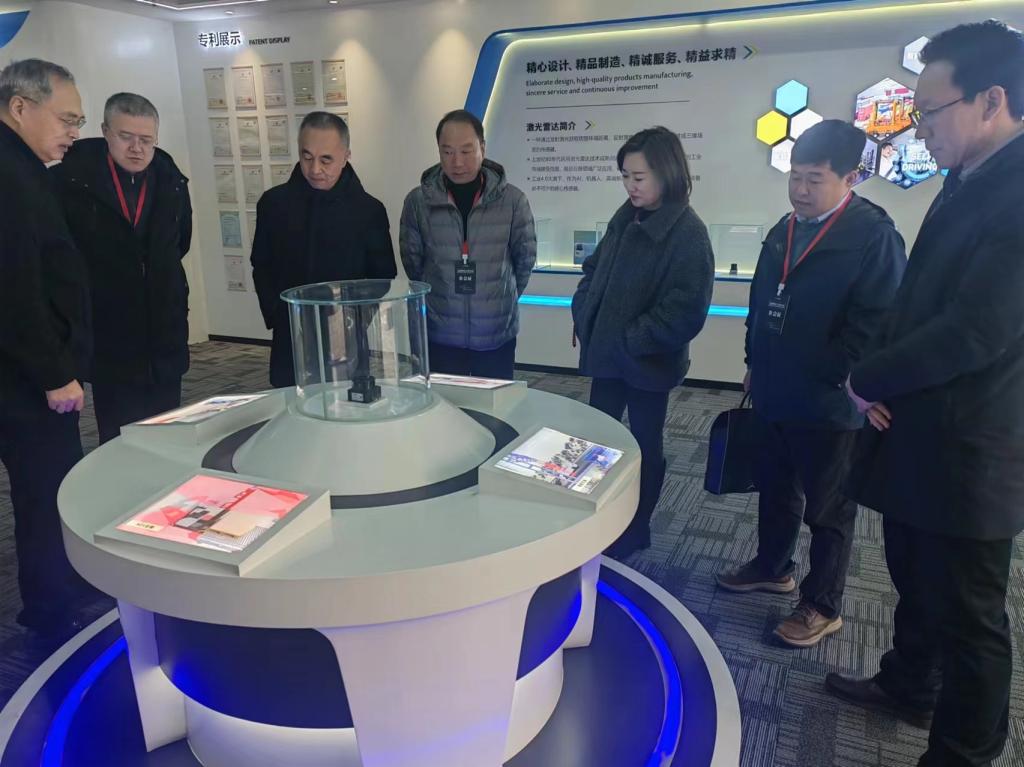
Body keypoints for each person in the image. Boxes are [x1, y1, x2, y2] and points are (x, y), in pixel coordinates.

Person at [826, 21, 1024, 767]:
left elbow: (976, 330)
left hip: (974, 447)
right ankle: (909, 683)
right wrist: (875, 369)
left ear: (992, 101)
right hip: (922, 428)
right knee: (914, 576)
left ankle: (966, 752)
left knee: (972, 614)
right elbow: (919, 299)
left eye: (930, 111)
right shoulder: (966, 177)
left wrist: (866, 378)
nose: (919, 127)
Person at [715, 120, 907, 647]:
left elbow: (875, 322)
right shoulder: (786, 227)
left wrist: (841, 376)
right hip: (775, 388)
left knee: (829, 508)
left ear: (851, 177)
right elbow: (761, 301)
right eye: (795, 177)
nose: (800, 190)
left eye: (814, 179)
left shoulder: (873, 236)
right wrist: (754, 360)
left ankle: (823, 605)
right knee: (775, 488)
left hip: (830, 400)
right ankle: (772, 567)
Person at [571, 127, 713, 559]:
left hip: (646, 363)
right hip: (608, 357)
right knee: (599, 441)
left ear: (666, 173)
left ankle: (637, 527)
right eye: (625, 176)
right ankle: (598, 520)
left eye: (638, 177)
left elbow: (687, 309)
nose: (630, 186)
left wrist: (632, 338)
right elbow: (593, 269)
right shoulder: (626, 217)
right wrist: (584, 310)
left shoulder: (687, 231)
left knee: (644, 447)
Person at [0, 59, 92, 635]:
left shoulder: (23, 167)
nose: (74, 133)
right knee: (44, 489)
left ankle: (61, 586)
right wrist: (55, 373)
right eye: (67, 119)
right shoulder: (9, 177)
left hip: (29, 372)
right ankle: (50, 609)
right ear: (19, 107)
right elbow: (15, 289)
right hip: (28, 381)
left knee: (53, 484)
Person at [52, 93, 192, 443]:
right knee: (119, 438)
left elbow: (180, 243)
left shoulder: (171, 180)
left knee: (168, 435)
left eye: (146, 140)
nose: (136, 148)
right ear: (105, 132)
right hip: (110, 335)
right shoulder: (72, 183)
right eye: (126, 137)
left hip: (164, 332)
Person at [251, 112, 396, 387]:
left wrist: (355, 320)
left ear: (346, 156)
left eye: (326, 159)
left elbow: (382, 275)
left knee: (348, 404)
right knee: (290, 405)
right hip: (290, 335)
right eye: (306, 157)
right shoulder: (273, 204)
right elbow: (261, 264)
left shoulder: (368, 211)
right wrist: (278, 315)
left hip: (346, 337)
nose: (315, 169)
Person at [400, 109, 536, 379]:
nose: (457, 162)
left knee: (495, 402)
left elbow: (525, 260)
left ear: (482, 148)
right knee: (447, 402)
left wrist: (498, 298)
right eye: (447, 152)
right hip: (441, 333)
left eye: (466, 151)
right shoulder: (418, 202)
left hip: (495, 332)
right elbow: (413, 262)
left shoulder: (513, 201)